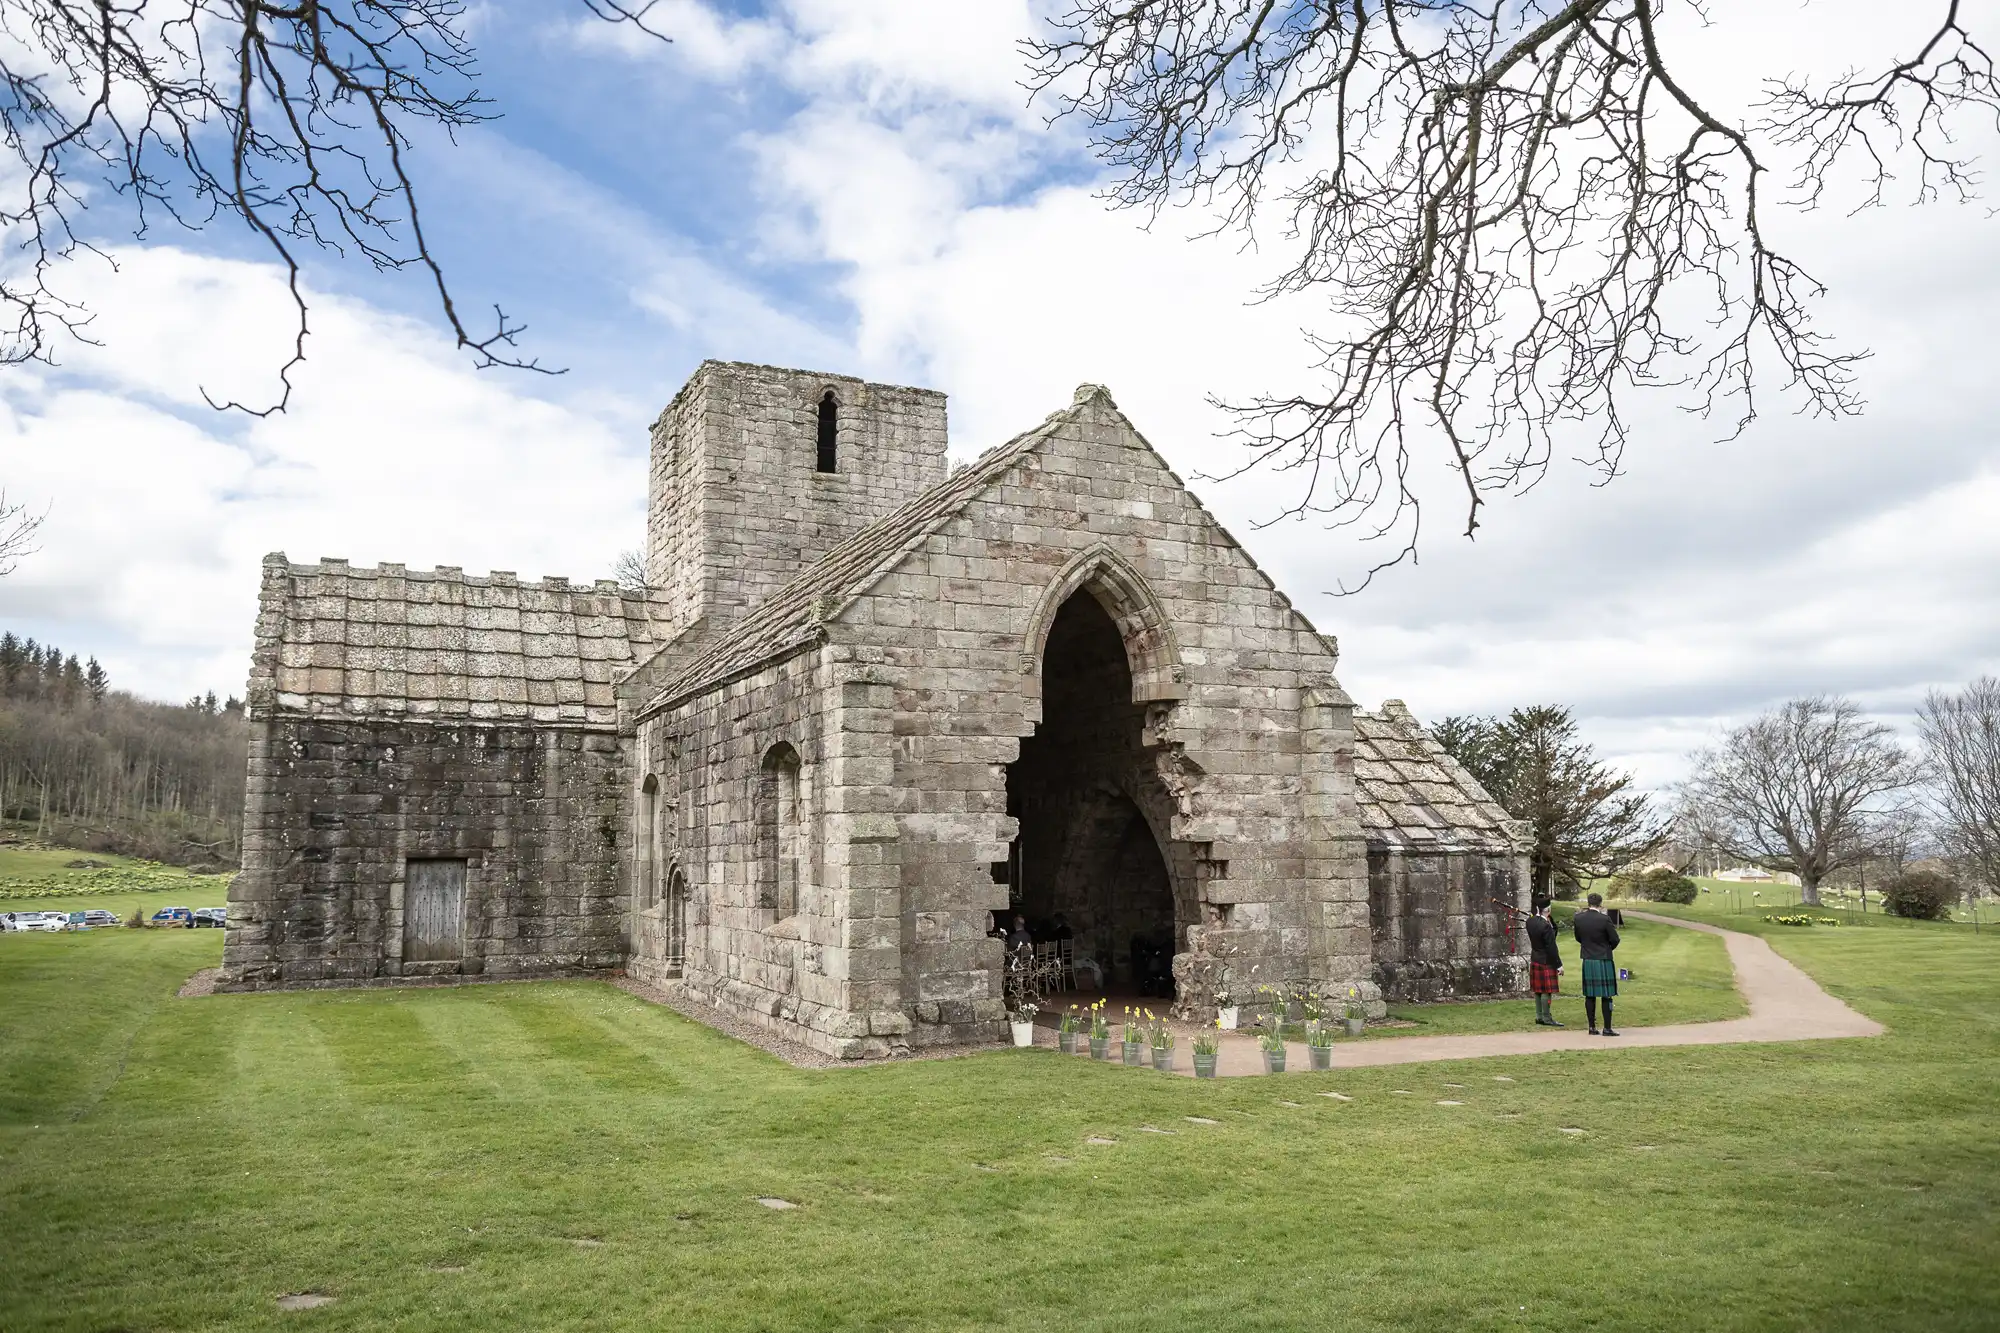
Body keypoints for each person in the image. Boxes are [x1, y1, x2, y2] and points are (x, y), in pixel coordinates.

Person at [1571, 891, 1622, 1035]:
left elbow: (1578, 937)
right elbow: (1615, 939)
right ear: (1600, 904)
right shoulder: (1604, 919)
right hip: (1603, 959)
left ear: (1588, 903)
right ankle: (1607, 1028)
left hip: (1588, 959)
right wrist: (1607, 949)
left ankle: (1592, 1027)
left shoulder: (1578, 918)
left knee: (1590, 995)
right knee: (1607, 995)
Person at [1524, 898, 1564, 1027]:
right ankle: (1547, 1018)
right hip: (1546, 960)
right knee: (1546, 991)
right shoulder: (1546, 926)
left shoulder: (1530, 921)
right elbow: (1551, 947)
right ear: (1548, 910)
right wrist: (1559, 965)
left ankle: (1539, 1016)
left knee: (1538, 990)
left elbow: (1553, 931)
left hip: (1535, 957)